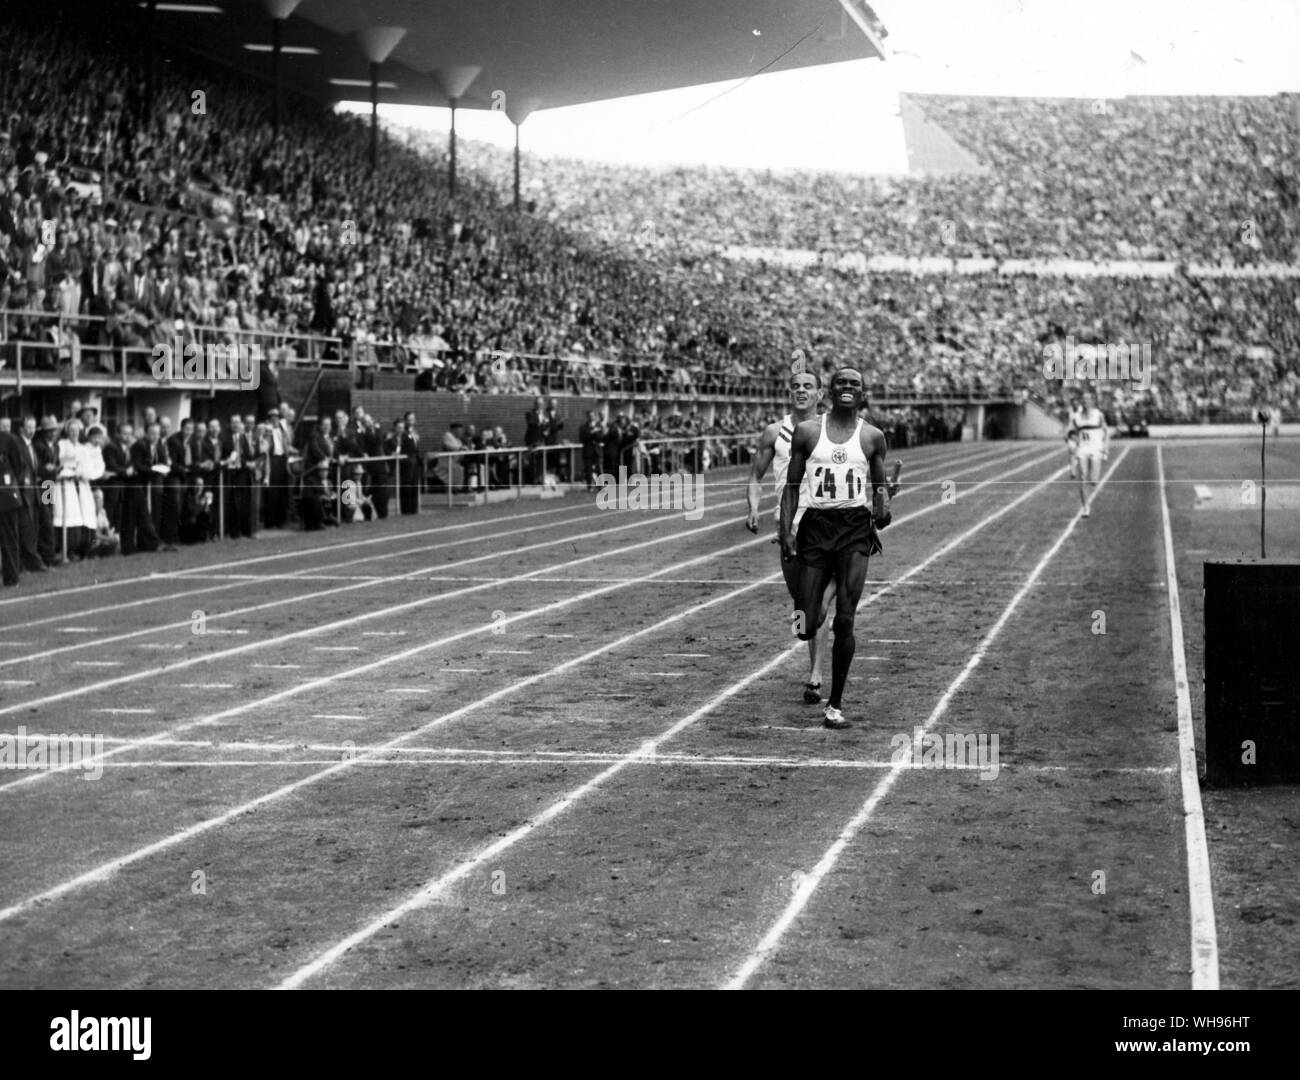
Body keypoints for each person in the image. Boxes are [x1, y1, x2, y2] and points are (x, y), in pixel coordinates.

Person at [781, 367, 892, 730]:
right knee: (805, 623)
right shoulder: (808, 432)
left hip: (854, 530)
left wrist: (885, 505)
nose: (847, 388)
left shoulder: (873, 437)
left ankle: (835, 705)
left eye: (854, 384)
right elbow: (791, 487)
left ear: (863, 394)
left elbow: (880, 499)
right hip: (816, 526)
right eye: (841, 382)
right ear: (830, 391)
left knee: (846, 618)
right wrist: (787, 531)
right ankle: (822, 595)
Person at [746, 366, 831, 704]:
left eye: (808, 386)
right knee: (803, 610)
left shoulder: (831, 431)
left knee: (819, 601)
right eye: (795, 385)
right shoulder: (774, 433)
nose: (801, 390)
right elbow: (755, 476)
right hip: (788, 528)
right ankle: (814, 632)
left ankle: (816, 676)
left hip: (824, 524)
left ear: (819, 394)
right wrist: (753, 507)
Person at [1067, 389, 1109, 517]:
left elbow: (1106, 431)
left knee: (1093, 481)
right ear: (1081, 401)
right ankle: (1085, 507)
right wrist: (1072, 441)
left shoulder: (1098, 414)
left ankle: (1093, 482)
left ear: (1092, 401)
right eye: (1083, 399)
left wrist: (1105, 447)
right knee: (1083, 477)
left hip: (1096, 448)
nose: (1086, 401)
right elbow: (1070, 433)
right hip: (1083, 448)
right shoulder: (1076, 416)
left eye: (1088, 399)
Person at [0, 427, 25, 585]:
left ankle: (12, 578)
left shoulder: (8, 439)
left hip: (6, 498)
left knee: (9, 540)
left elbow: (18, 466)